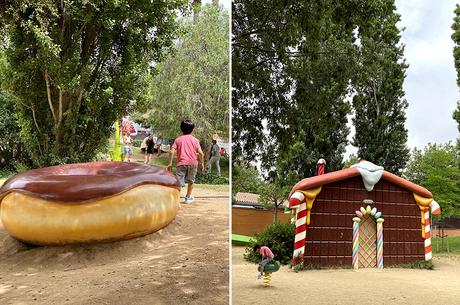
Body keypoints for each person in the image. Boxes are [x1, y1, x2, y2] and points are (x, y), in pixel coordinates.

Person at [167, 120, 204, 204]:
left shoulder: (178, 140)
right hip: (193, 163)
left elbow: (172, 151)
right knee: (191, 181)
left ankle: (176, 199)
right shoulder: (195, 140)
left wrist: (170, 163)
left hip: (181, 163)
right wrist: (202, 164)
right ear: (193, 129)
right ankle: (188, 197)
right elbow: (201, 153)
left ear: (181, 128)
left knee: (178, 182)